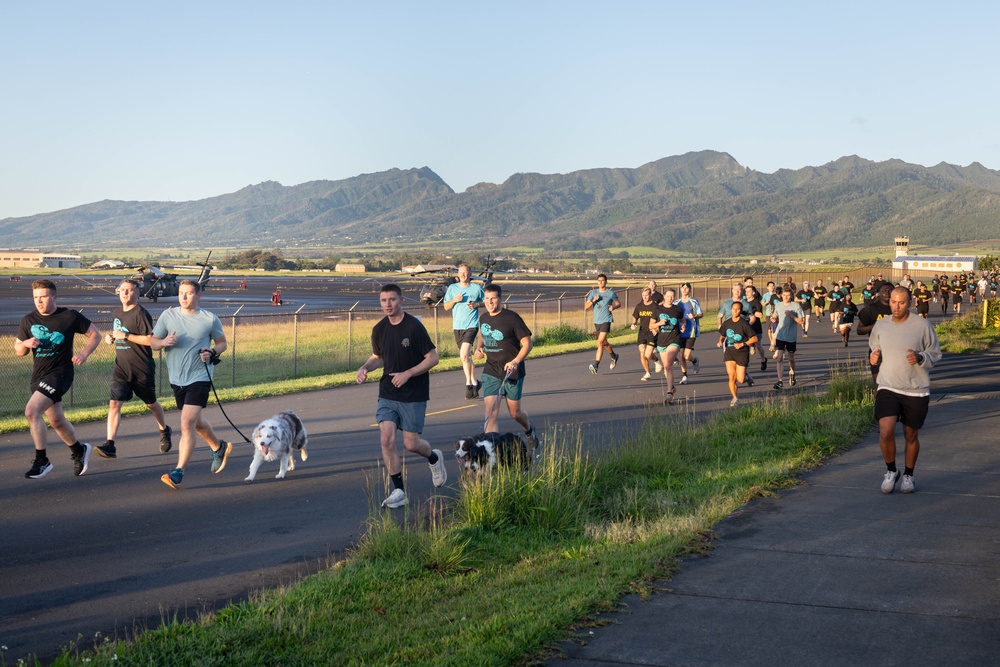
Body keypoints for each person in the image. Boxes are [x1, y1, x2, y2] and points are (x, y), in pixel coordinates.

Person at [356, 283, 447, 508]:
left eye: (392, 300)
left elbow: (433, 358)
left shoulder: (413, 327)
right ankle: (399, 490)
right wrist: (365, 367)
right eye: (383, 301)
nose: (388, 304)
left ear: (401, 300)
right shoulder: (379, 329)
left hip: (413, 393)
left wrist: (408, 373)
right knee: (386, 439)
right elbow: (378, 357)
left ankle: (434, 457)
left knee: (411, 444)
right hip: (388, 391)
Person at [151, 280, 233, 489]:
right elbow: (153, 342)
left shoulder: (208, 319)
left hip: (200, 377)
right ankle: (218, 446)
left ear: (198, 295)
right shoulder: (168, 316)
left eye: (188, 293)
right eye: (181, 293)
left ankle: (178, 471)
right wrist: (163, 343)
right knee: (196, 422)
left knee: (186, 422)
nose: (184, 297)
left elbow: (222, 343)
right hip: (177, 379)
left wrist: (212, 352)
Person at [16, 279, 101, 478]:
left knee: (31, 411)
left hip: (60, 374)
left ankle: (42, 460)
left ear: (54, 296)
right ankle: (79, 450)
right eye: (36, 297)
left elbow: (94, 334)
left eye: (44, 296)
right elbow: (19, 351)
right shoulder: (28, 320)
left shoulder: (69, 316)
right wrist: (26, 343)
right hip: (38, 376)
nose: (39, 301)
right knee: (56, 421)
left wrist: (84, 354)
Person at [869, 287, 941, 494]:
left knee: (911, 434)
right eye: (893, 302)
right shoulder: (881, 325)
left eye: (901, 302)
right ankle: (891, 471)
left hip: (915, 389)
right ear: (888, 301)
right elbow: (875, 347)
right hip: (887, 385)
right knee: (886, 430)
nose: (896, 306)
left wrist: (920, 358)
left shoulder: (922, 325)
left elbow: (935, 353)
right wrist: (874, 356)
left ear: (909, 303)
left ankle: (909, 475)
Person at [95, 279, 173, 459]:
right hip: (121, 367)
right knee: (114, 403)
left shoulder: (140, 313)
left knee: (151, 404)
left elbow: (150, 340)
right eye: (122, 290)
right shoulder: (117, 312)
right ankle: (110, 444)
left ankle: (164, 430)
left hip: (141, 368)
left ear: (137, 294)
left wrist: (127, 336)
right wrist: (111, 338)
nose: (125, 293)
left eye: (130, 291)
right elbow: (119, 333)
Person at [474, 283, 540, 455]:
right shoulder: (484, 318)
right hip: (491, 370)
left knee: (515, 413)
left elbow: (527, 344)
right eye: (487, 299)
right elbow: (482, 334)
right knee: (490, 410)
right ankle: (491, 453)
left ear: (500, 299)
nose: (490, 302)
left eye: (493, 298)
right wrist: (479, 348)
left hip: (512, 371)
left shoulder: (512, 318)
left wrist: (516, 361)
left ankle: (528, 429)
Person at [442, 264, 485, 399]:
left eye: (466, 272)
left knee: (464, 354)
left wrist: (476, 304)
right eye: (461, 272)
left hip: (471, 325)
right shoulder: (452, 288)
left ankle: (468, 384)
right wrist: (455, 300)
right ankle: (475, 382)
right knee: (466, 357)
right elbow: (446, 307)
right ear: (458, 274)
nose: (463, 275)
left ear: (470, 274)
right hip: (457, 326)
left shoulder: (477, 288)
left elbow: (486, 301)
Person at [717, 300, 758, 407]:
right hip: (729, 352)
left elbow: (754, 339)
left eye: (737, 309)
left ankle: (746, 377)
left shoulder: (744, 324)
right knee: (731, 377)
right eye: (733, 309)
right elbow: (723, 334)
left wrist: (742, 344)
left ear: (740, 310)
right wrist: (720, 341)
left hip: (742, 352)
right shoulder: (727, 322)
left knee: (740, 379)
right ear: (731, 310)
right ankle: (735, 398)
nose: (735, 311)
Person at [649, 287, 686, 404]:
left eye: (672, 296)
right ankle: (672, 387)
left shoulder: (677, 309)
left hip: (674, 339)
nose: (670, 298)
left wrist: (683, 325)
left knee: (668, 364)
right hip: (662, 341)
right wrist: (659, 323)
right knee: (667, 368)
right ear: (664, 296)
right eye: (668, 296)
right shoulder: (657, 309)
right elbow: (651, 325)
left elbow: (682, 320)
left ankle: (669, 393)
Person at [857, 282, 894, 383]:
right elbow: (859, 330)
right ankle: (877, 397)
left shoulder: (898, 309)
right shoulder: (871, 309)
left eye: (890, 290)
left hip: (896, 349)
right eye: (884, 291)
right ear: (878, 293)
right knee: (877, 381)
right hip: (877, 350)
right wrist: (874, 326)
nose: (887, 293)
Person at [769, 287, 804, 390]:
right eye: (784, 295)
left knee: (791, 358)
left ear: (791, 295)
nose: (785, 297)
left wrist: (791, 316)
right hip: (780, 335)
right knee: (779, 358)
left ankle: (792, 372)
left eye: (788, 295)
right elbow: (775, 315)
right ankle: (780, 381)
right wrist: (773, 318)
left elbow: (801, 321)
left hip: (791, 336)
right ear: (781, 295)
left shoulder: (796, 306)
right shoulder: (778, 305)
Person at [585, 274, 620, 374]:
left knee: (600, 342)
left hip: (607, 320)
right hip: (597, 321)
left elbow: (618, 303)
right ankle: (614, 356)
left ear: (606, 282)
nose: (601, 282)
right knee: (604, 342)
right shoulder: (593, 293)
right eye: (599, 281)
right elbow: (586, 306)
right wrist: (593, 300)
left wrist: (614, 307)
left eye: (602, 280)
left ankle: (596, 365)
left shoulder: (610, 293)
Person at [674, 282, 703, 383]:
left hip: (691, 331)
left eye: (687, 288)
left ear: (690, 290)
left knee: (687, 356)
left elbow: (700, 313)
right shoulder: (676, 302)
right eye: (683, 288)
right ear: (680, 290)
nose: (685, 289)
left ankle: (694, 360)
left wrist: (694, 316)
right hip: (680, 331)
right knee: (681, 355)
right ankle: (685, 376)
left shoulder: (693, 301)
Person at [630, 287, 658, 380]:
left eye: (647, 295)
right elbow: (635, 318)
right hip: (642, 332)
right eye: (643, 296)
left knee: (648, 354)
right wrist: (633, 324)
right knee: (642, 352)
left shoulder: (655, 306)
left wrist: (656, 328)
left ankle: (656, 360)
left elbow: (660, 319)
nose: (645, 297)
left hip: (652, 332)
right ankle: (647, 372)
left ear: (650, 295)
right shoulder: (639, 306)